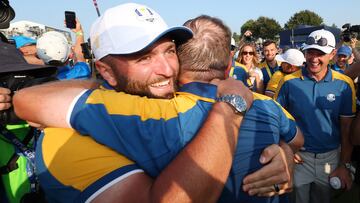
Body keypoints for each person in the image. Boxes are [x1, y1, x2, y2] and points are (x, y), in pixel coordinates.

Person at [14, 3, 295, 203]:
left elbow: (293, 140)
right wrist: (232, 106)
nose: (167, 69)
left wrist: (281, 151)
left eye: (170, 51)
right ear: (107, 71)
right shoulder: (65, 140)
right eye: (143, 57)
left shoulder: (184, 104)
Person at [274, 29, 356, 203]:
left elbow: (346, 130)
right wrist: (284, 147)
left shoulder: (344, 85)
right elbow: (276, 120)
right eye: (310, 52)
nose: (314, 58)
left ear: (333, 54)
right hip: (299, 159)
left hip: (331, 158)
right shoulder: (288, 82)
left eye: (320, 53)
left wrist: (344, 165)